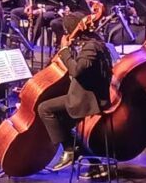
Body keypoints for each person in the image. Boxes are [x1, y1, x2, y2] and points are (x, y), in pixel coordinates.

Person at [38, 13, 113, 173]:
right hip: (85, 95)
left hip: (90, 100)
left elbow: (77, 70)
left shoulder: (91, 46)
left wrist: (64, 50)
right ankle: (92, 162)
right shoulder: (93, 42)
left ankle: (69, 150)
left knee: (45, 109)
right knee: (61, 123)